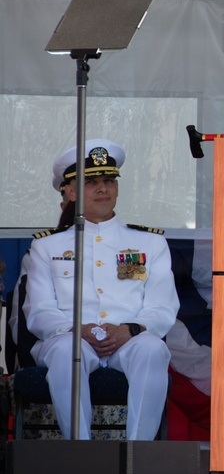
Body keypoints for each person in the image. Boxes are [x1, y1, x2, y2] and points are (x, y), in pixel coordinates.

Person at [24, 141, 180, 440]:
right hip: (69, 338)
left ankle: (138, 455)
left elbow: (162, 306)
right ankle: (81, 452)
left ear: (117, 188)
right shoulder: (47, 246)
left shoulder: (150, 243)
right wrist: (76, 329)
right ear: (70, 193)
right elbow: (39, 311)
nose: (103, 189)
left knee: (153, 348)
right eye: (91, 182)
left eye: (109, 181)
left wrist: (130, 329)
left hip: (128, 339)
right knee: (68, 351)